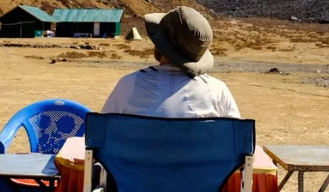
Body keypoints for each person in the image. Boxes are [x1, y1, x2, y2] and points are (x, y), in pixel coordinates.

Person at [101, 6, 240, 118]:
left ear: (159, 46)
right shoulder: (217, 90)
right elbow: (239, 144)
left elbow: (101, 136)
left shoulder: (128, 85)